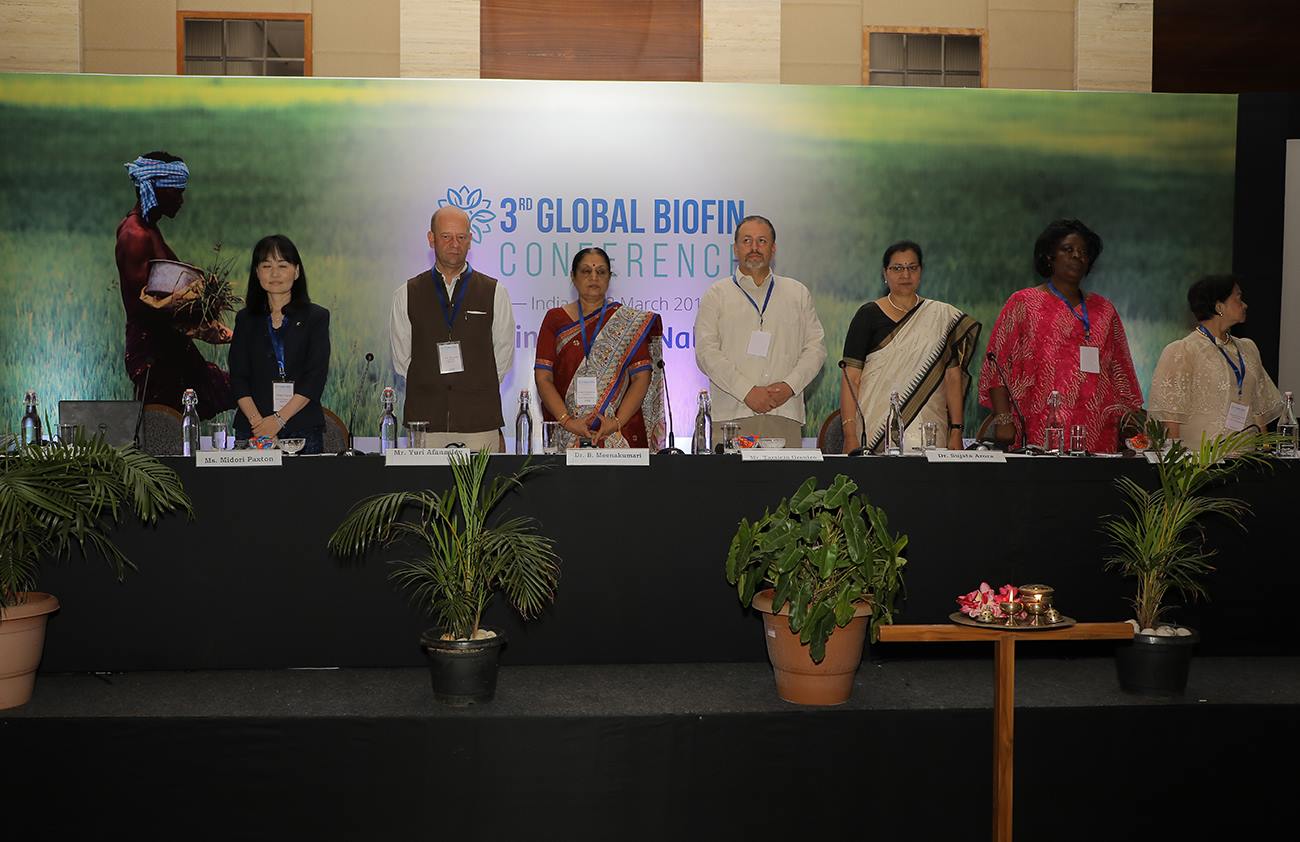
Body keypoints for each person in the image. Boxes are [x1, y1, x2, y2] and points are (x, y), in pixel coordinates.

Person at [979, 218, 1142, 453]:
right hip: (1038, 427)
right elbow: (997, 366)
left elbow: (1121, 372)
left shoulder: (1104, 309)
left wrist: (1130, 420)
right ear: (1049, 257)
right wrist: (1004, 419)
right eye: (1068, 249)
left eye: (1084, 253)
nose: (1077, 256)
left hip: (1098, 432)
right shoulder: (1024, 302)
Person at [115, 151, 232, 418]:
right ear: (155, 189)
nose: (181, 200)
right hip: (154, 353)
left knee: (222, 390)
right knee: (164, 425)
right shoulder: (135, 235)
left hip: (169, 346)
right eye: (176, 192)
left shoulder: (148, 229)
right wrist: (198, 315)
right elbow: (146, 305)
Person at [694, 215, 827, 445]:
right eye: (747, 241)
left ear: (773, 249)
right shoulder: (716, 295)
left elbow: (816, 349)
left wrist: (789, 387)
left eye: (762, 241)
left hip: (784, 412)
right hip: (732, 418)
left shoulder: (797, 293)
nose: (754, 248)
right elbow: (706, 353)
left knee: (786, 472)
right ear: (735, 249)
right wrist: (747, 391)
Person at [391, 206, 515, 451]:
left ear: (470, 240)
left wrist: (471, 386)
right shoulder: (406, 293)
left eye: (461, 237)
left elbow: (503, 357)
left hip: (479, 422)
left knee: (482, 479)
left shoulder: (495, 292)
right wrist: (432, 383)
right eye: (446, 236)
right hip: (425, 423)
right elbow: (402, 360)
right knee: (424, 479)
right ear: (431, 239)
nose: (454, 244)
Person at [840, 240, 981, 453]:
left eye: (912, 267)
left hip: (930, 431)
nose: (905, 274)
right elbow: (851, 378)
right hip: (875, 431)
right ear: (885, 273)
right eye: (897, 268)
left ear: (920, 272)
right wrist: (850, 435)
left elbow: (952, 377)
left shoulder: (940, 317)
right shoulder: (867, 316)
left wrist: (956, 431)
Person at [534, 248, 665, 449]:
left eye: (601, 272)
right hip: (568, 434)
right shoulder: (555, 319)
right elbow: (543, 378)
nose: (594, 277)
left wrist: (616, 422)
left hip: (616, 436)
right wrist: (567, 421)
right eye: (586, 271)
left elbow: (641, 377)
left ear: (609, 278)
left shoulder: (627, 322)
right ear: (573, 277)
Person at [1148, 275, 1282, 447]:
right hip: (1202, 459)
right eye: (1238, 297)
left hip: (1247, 457)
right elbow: (1170, 416)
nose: (1245, 305)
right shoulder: (1183, 350)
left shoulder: (1248, 348)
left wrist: (1265, 451)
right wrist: (1174, 459)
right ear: (1219, 306)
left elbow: (1259, 409)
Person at [228, 235, 331, 454]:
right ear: (257, 273)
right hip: (253, 430)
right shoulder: (245, 320)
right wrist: (259, 425)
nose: (274, 273)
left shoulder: (316, 317)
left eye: (282, 265)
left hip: (301, 430)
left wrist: (278, 421)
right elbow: (238, 377)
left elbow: (314, 378)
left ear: (296, 271)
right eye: (267, 266)